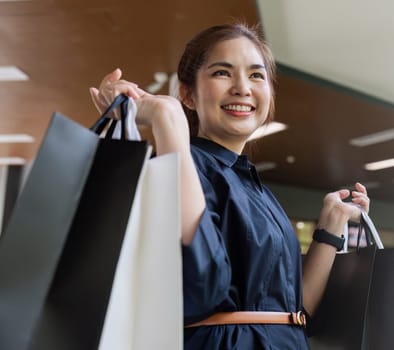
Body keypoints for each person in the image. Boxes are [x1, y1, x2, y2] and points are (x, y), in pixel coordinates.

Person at [89, 22, 369, 349]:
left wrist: (330, 225)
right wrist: (168, 119)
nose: (242, 87)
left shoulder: (254, 187)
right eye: (222, 73)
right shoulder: (177, 167)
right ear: (187, 94)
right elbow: (200, 288)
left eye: (256, 75)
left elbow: (295, 313)